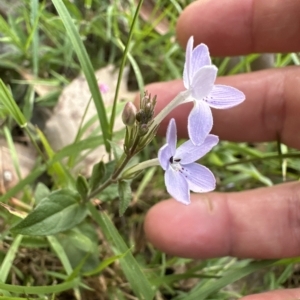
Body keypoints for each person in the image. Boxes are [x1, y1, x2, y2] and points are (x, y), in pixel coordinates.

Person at [140, 0, 300, 299]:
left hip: (177, 147)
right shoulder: (187, 120)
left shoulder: (201, 112)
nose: (211, 80)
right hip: (174, 145)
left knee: (190, 145)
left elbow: (198, 142)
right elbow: (187, 144)